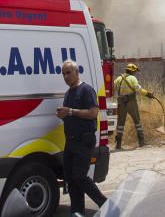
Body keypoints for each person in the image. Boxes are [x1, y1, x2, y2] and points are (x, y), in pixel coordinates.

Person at [56, 59, 107, 217]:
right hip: (70, 141)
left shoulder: (86, 90)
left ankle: (105, 203)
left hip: (84, 140)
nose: (66, 76)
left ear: (77, 72)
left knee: (79, 176)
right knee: (71, 179)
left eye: (68, 72)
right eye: (63, 74)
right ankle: (77, 212)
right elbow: (70, 114)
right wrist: (63, 115)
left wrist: (70, 112)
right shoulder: (68, 93)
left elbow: (93, 113)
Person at [112, 62, 154, 149]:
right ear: (132, 71)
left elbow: (113, 88)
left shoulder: (118, 79)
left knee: (120, 123)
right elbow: (138, 89)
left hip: (120, 102)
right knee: (137, 121)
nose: (135, 73)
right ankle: (142, 143)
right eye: (135, 71)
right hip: (131, 102)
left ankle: (118, 144)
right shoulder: (133, 78)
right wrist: (148, 94)